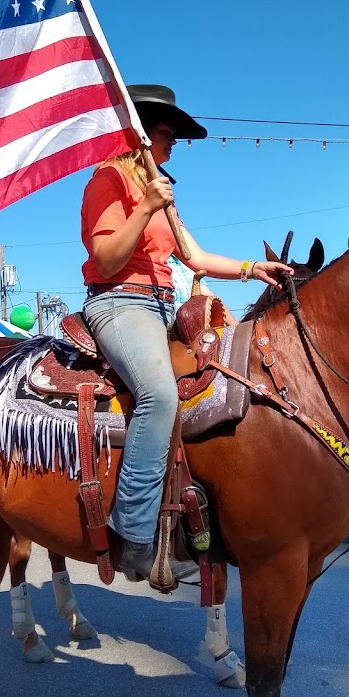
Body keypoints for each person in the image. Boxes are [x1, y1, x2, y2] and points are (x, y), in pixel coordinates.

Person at [80, 84, 292, 581]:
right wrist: (145, 207)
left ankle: (201, 510)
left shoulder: (163, 187)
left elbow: (193, 257)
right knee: (158, 395)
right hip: (118, 303)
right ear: (139, 134)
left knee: (221, 373)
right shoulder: (107, 180)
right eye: (166, 135)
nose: (173, 145)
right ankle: (131, 530)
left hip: (161, 306)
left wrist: (250, 267)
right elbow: (106, 258)